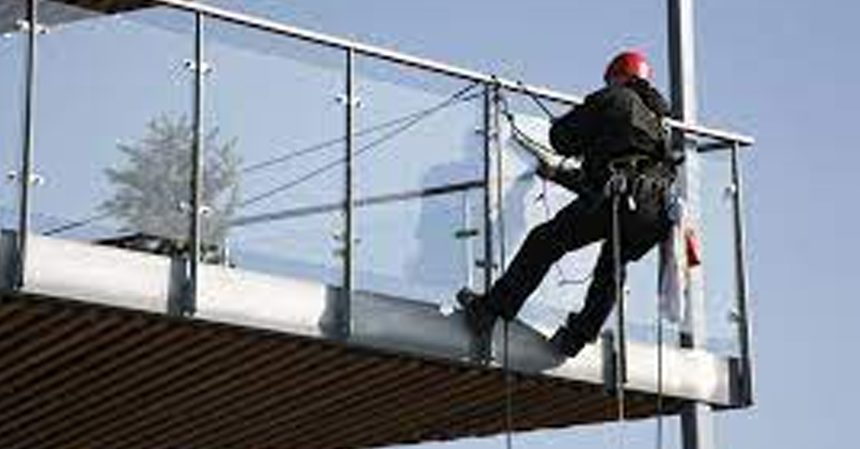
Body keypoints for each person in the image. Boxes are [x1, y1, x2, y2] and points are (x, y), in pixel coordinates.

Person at [458, 51, 676, 358]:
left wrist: (572, 130)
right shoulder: (660, 121)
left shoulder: (614, 98)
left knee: (545, 240)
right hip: (654, 210)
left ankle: (491, 309)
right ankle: (577, 338)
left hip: (620, 196)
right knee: (612, 268)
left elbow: (562, 139)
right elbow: (611, 174)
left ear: (617, 78)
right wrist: (559, 174)